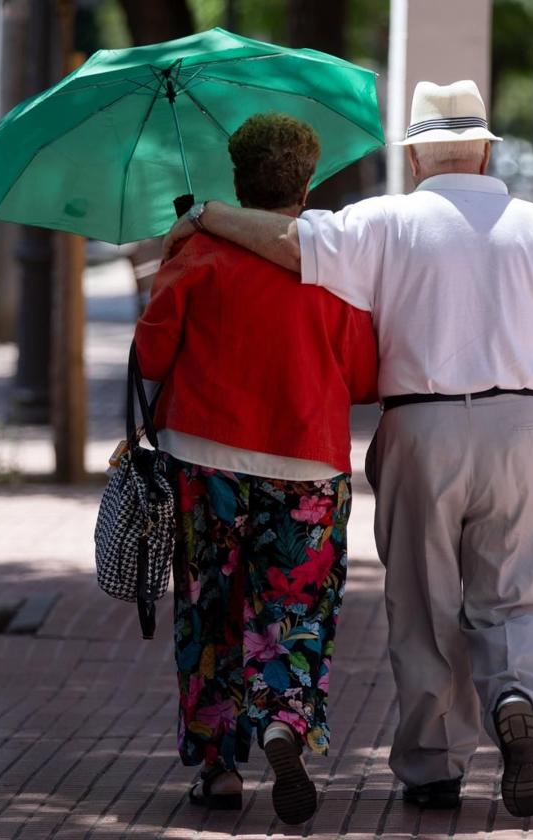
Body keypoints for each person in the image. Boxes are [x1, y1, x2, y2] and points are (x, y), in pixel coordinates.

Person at [163, 80, 533, 818]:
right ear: (487, 150)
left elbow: (286, 240)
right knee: (520, 593)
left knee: (423, 604)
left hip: (421, 427)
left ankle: (433, 768)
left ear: (415, 156)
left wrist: (204, 214)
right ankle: (519, 695)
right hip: (523, 424)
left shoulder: (386, 222)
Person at [134, 113, 379, 825]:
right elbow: (362, 376)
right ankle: (284, 722)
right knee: (296, 609)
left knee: (211, 611)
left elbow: (151, 360)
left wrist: (169, 264)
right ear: (305, 184)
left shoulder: (196, 255)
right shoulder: (335, 267)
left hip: (204, 463)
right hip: (306, 465)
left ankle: (217, 769)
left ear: (236, 181)